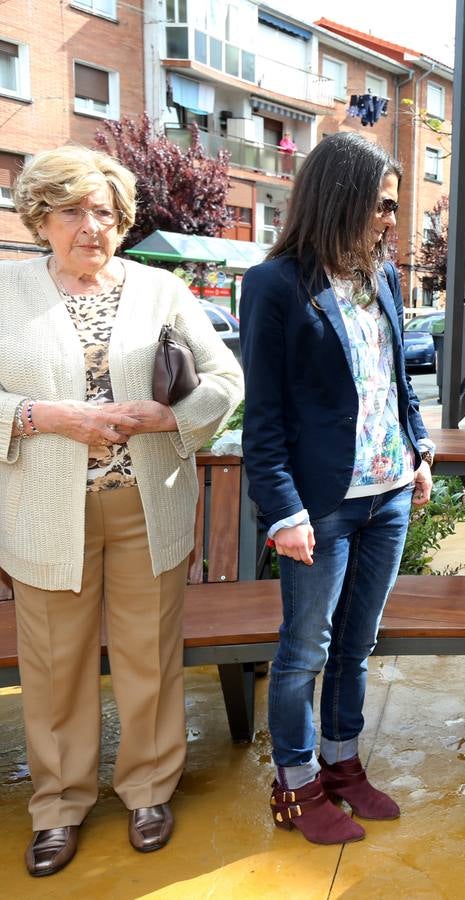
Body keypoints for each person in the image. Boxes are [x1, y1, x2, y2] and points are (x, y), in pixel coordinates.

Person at [0, 146, 243, 876]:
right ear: (42, 219)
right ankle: (60, 805)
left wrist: (168, 420)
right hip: (48, 512)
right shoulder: (6, 292)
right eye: (72, 211)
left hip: (147, 504)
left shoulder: (161, 291)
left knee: (150, 657)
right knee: (53, 665)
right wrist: (45, 416)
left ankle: (147, 790)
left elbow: (227, 379)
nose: (90, 227)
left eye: (104, 212)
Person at [241, 132, 433, 845]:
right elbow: (262, 419)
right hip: (319, 506)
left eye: (394, 206)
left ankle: (343, 764)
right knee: (304, 651)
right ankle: (295, 784)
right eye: (382, 205)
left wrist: (415, 451)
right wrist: (283, 510)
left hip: (386, 496)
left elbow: (396, 382)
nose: (391, 220)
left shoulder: (380, 277)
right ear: (341, 198)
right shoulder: (274, 285)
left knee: (357, 644)